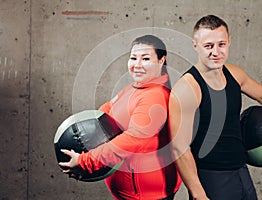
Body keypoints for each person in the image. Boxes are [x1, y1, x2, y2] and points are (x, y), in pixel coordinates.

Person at [168, 15, 262, 200]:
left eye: (221, 44)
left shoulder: (234, 74)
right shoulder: (187, 89)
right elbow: (179, 147)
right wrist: (198, 194)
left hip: (240, 170)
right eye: (208, 46)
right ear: (195, 46)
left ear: (229, 42)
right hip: (212, 176)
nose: (216, 52)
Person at [59, 35, 182, 200]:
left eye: (146, 58)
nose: (137, 65)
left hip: (148, 195)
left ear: (161, 60)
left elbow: (133, 140)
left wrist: (85, 161)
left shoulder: (155, 97)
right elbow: (105, 114)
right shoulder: (134, 89)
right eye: (133, 58)